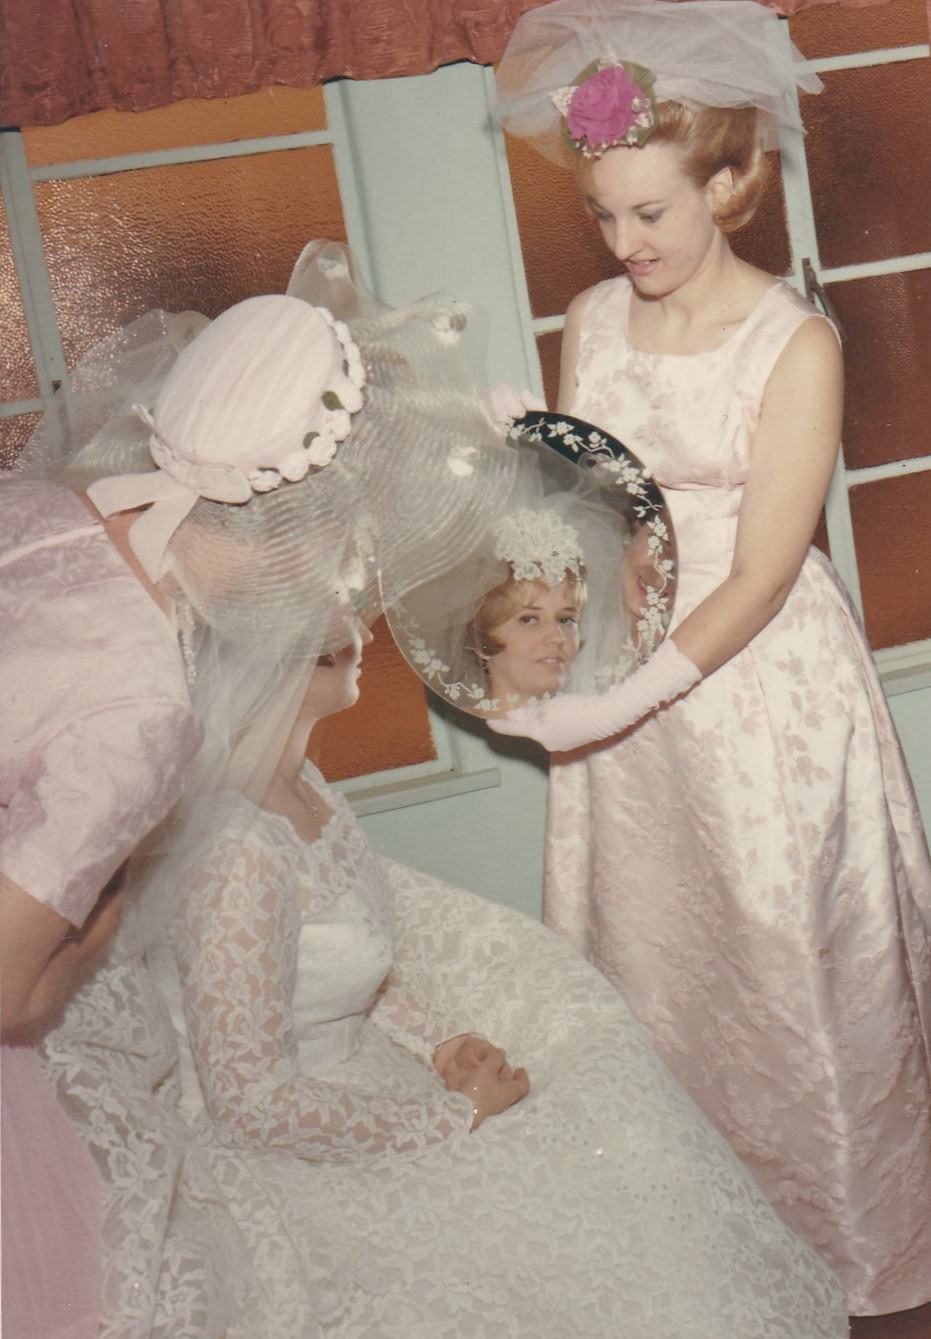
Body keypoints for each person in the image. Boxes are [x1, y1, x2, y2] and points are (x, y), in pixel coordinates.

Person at [491, 0, 931, 1315]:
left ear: (730, 183)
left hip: (755, 698)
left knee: (791, 971)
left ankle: (858, 1267)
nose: (623, 245)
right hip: (631, 700)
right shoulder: (591, 316)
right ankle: (692, 1246)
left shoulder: (792, 340)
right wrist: (516, 471)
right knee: (660, 965)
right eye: (604, 216)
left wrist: (627, 693)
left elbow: (758, 567)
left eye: (651, 215)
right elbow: (587, 510)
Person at [9, 240, 519, 1338]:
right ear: (298, 526)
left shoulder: (46, 518)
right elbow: (15, 997)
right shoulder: (147, 711)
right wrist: (113, 906)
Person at [147, 596, 849, 1339]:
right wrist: (454, 1114)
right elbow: (251, 1104)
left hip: (358, 1074)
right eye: (337, 635)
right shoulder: (240, 851)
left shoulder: (303, 783)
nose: (361, 633)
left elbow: (333, 968)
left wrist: (440, 1039)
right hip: (284, 1142)